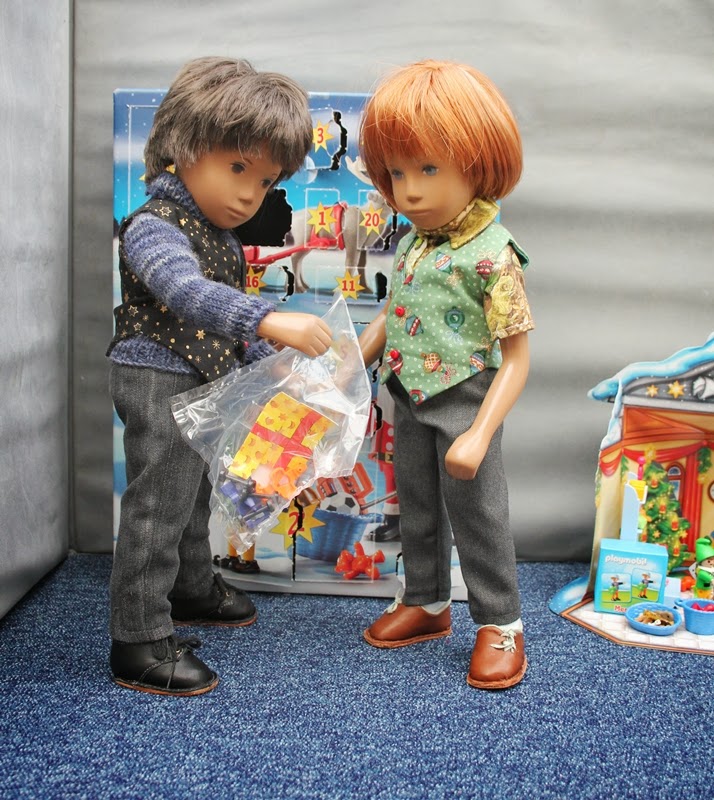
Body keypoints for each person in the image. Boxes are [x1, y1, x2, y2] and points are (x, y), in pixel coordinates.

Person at [107, 57, 332, 696]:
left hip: (202, 379)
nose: (249, 195)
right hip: (157, 376)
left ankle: (188, 588)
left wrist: (280, 371)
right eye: (237, 168)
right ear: (182, 146)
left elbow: (229, 333)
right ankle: (138, 638)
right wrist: (270, 320)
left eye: (264, 182)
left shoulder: (221, 239)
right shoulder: (152, 227)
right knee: (158, 504)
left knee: (194, 493)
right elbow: (185, 292)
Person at [357, 60, 534, 690]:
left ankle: (501, 623)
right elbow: (392, 312)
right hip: (409, 394)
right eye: (397, 173)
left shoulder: (493, 255)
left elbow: (518, 357)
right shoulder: (413, 242)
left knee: (477, 513)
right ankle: (427, 600)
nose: (408, 191)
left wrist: (480, 433)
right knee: (418, 503)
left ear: (477, 162)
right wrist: (350, 361)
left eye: (428, 169)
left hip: (466, 398)